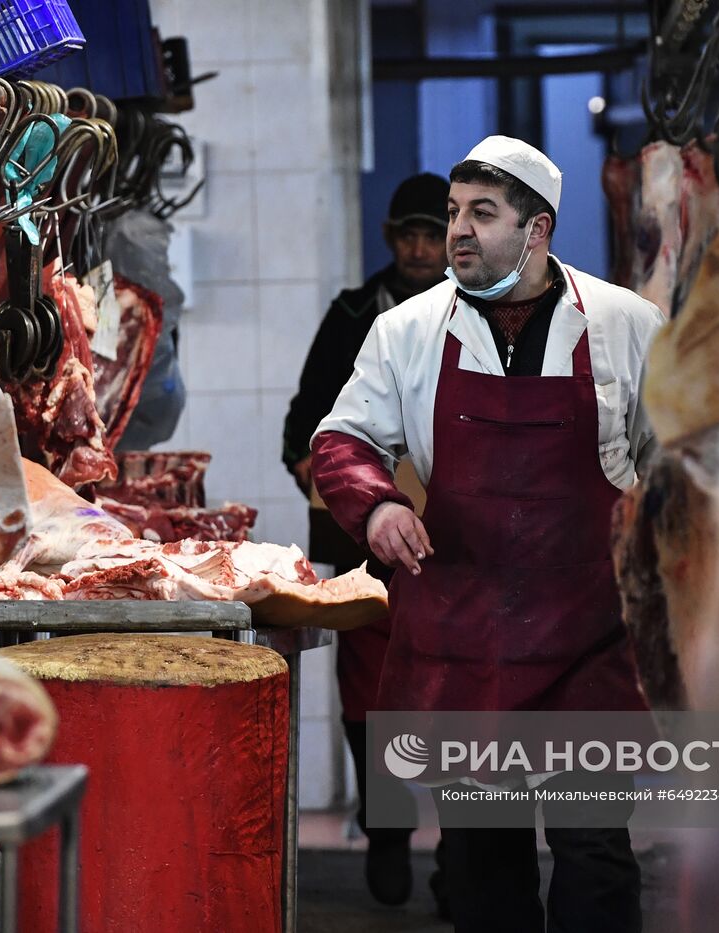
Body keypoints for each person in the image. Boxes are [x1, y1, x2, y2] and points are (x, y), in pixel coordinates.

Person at [310, 136, 662, 932]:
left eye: (482, 214)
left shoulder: (625, 323)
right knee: (479, 865)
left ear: (537, 230)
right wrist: (378, 506)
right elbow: (342, 439)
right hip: (462, 645)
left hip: (589, 646)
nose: (458, 231)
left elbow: (681, 460)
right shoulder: (406, 330)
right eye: (454, 213)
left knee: (595, 855)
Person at [281, 173, 451, 910]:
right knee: (373, 692)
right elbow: (303, 422)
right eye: (407, 234)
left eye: (430, 233)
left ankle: (465, 854)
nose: (419, 247)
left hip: (460, 546)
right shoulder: (355, 311)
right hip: (369, 547)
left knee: (460, 695)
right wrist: (327, 480)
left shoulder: (488, 313)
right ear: (390, 240)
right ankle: (386, 826)